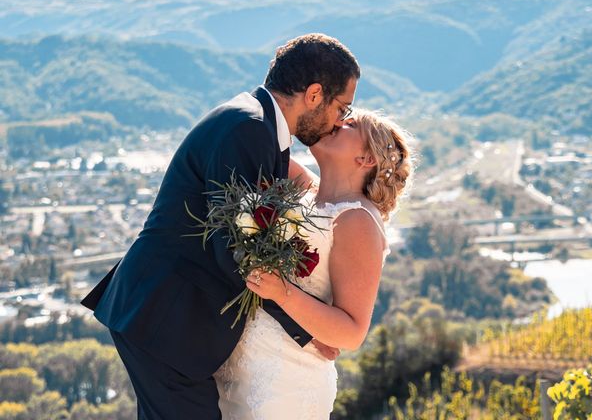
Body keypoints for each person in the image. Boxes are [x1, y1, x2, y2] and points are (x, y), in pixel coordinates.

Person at [81, 33, 360, 419]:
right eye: (342, 107)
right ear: (314, 94)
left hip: (167, 316)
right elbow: (235, 250)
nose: (339, 121)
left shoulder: (257, 124)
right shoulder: (248, 128)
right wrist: (304, 329)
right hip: (165, 318)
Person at [214, 108, 412, 419]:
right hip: (239, 365)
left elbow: (351, 333)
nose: (335, 121)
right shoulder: (305, 191)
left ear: (366, 159)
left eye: (349, 124)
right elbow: (257, 139)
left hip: (286, 382)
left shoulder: (357, 219)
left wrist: (282, 293)